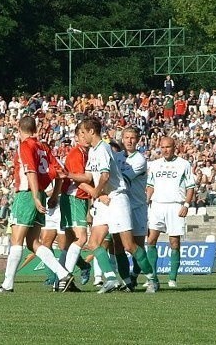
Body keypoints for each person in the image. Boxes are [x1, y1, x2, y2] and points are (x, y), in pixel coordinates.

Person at [64, 117, 158, 293]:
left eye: (83, 132)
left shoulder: (104, 149)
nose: (81, 136)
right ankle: (112, 279)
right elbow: (90, 177)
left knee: (128, 245)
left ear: (92, 131)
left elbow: (105, 177)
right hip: (104, 200)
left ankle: (152, 279)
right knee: (93, 243)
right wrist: (68, 174)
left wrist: (97, 193)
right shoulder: (93, 151)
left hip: (117, 199)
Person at [0, 116, 75, 293]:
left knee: (16, 240)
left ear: (18, 128)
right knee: (32, 242)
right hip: (41, 194)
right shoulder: (43, 147)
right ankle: (63, 274)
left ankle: (7, 285)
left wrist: (36, 197)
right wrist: (53, 195)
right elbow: (61, 173)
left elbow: (30, 172)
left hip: (27, 195)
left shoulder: (26, 146)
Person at [146, 136, 195, 288]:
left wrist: (186, 204)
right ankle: (152, 277)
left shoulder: (184, 164)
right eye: (163, 147)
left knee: (174, 242)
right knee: (151, 239)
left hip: (175, 206)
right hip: (157, 205)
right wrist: (146, 200)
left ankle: (172, 278)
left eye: (168, 147)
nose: (165, 150)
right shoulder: (154, 165)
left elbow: (190, 187)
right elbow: (150, 185)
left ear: (175, 148)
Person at [58, 123, 92, 289]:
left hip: (74, 198)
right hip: (74, 197)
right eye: (82, 134)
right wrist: (96, 191)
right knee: (82, 238)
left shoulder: (87, 154)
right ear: (77, 138)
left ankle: (71, 275)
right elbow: (82, 179)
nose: (85, 137)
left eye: (87, 133)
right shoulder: (76, 154)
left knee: (70, 242)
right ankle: (65, 278)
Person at [114, 127, 149, 288]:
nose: (129, 140)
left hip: (137, 206)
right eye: (126, 137)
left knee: (137, 246)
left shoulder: (140, 160)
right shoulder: (116, 157)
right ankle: (126, 282)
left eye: (133, 138)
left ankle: (137, 276)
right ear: (122, 138)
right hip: (120, 206)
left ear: (138, 140)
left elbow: (123, 181)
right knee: (119, 246)